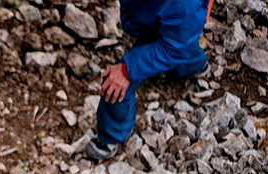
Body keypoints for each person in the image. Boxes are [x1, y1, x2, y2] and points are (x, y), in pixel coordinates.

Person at [85, 0, 212, 161]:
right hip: (160, 13)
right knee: (176, 38)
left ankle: (110, 136)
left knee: (116, 82)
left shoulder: (184, 7)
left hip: (178, 18)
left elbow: (175, 47)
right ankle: (194, 65)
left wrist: (128, 70)